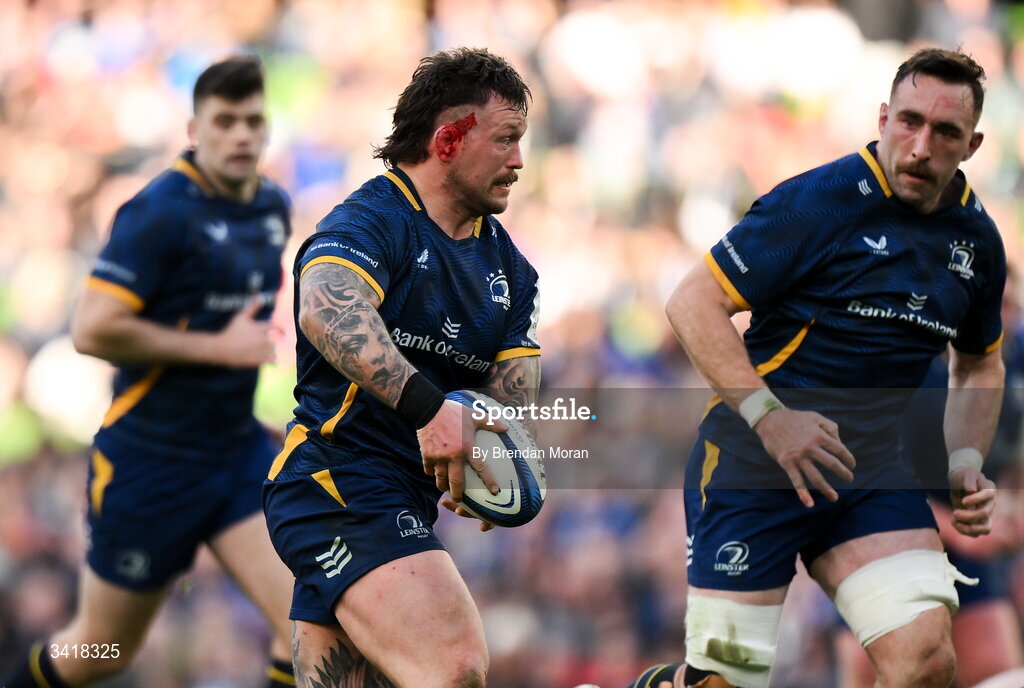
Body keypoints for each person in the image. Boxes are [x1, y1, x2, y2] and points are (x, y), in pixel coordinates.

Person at [627, 47, 1004, 688]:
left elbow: (978, 363)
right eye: (908, 121)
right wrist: (773, 421)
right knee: (726, 683)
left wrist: (965, 458)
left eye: (944, 132)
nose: (919, 146)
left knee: (926, 661)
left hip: (868, 472)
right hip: (754, 463)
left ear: (971, 145)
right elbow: (692, 303)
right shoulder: (816, 203)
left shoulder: (978, 242)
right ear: (883, 117)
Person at [2, 56, 296, 688]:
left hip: (231, 454)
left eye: (252, 122)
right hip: (150, 464)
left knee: (307, 626)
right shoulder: (159, 213)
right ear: (194, 129)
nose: (241, 136)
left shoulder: (271, 208)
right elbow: (93, 329)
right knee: (101, 655)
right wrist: (220, 350)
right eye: (225, 122)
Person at [261, 47, 540, 688]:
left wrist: (492, 446)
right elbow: (326, 313)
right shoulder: (373, 220)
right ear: (447, 140)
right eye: (505, 140)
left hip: (402, 499)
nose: (518, 161)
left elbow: (511, 392)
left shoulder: (513, 272)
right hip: (334, 480)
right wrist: (433, 411)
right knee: (455, 663)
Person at [833, 268, 1024, 688]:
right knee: (885, 674)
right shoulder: (908, 371)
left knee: (999, 672)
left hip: (965, 544)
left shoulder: (1014, 363)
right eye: (991, 306)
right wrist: (963, 533)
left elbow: (1011, 461)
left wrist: (1012, 507)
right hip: (884, 543)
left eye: (1008, 306)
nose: (1001, 317)